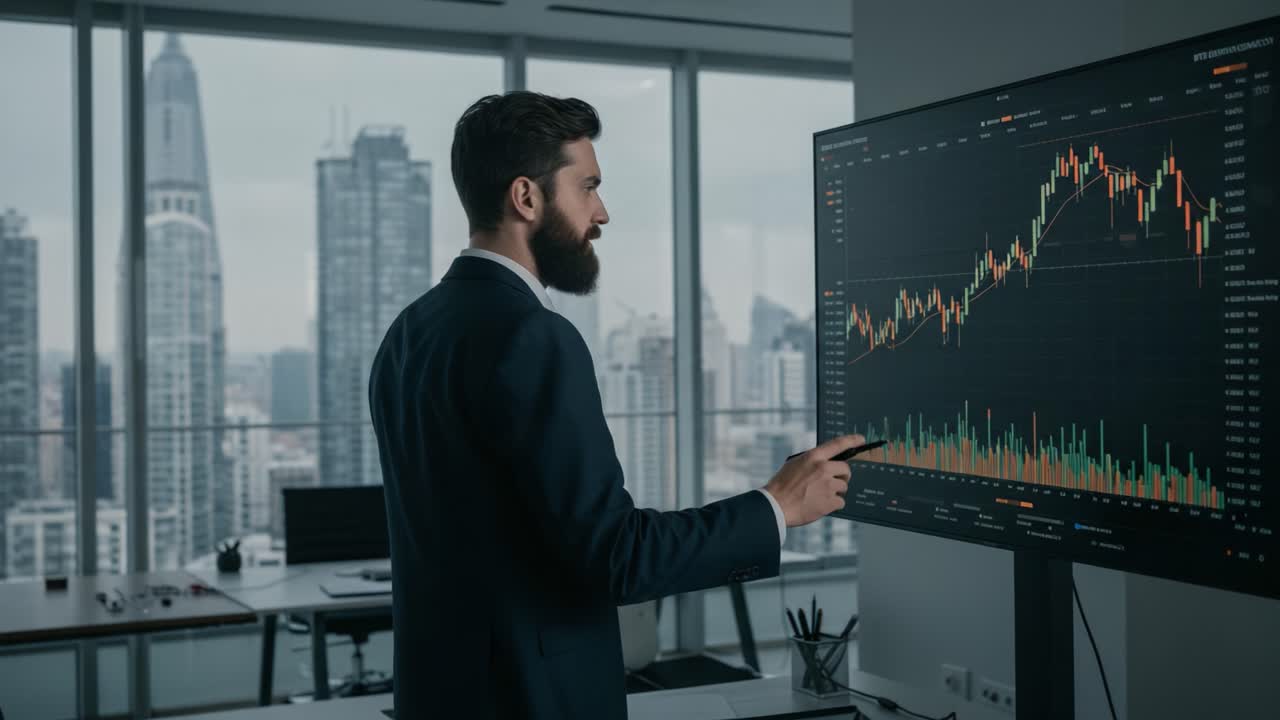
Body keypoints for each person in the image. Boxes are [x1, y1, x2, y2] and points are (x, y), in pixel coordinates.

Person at [368, 91, 864, 719]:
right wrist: (777, 506)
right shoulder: (534, 336)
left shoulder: (409, 333)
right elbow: (615, 556)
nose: (602, 213)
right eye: (589, 187)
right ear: (527, 197)